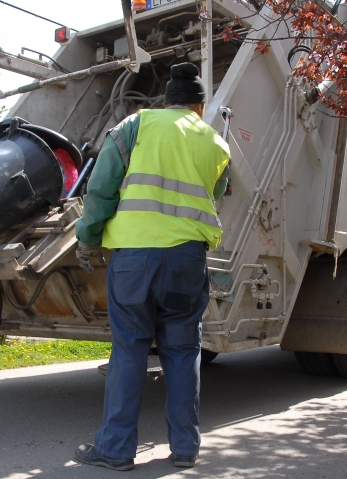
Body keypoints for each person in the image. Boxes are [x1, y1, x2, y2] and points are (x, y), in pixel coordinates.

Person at [73, 62, 231, 471]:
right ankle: (185, 448)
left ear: (167, 100)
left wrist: (88, 236)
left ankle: (116, 450)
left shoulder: (135, 125)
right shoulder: (215, 141)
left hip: (135, 259)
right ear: (198, 105)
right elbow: (220, 190)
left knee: (130, 350)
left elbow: (102, 187)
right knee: (183, 350)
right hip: (187, 259)